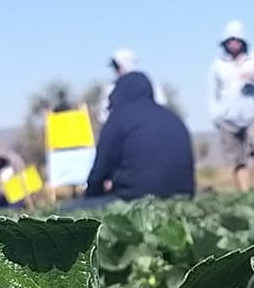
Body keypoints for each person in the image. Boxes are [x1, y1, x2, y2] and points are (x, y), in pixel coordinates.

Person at [80, 71, 196, 206]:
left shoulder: (119, 117)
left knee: (68, 211)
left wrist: (91, 196)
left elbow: (100, 169)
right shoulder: (174, 118)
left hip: (135, 199)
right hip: (182, 198)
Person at [208, 22, 254, 190]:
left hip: (251, 113)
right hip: (227, 118)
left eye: (236, 39)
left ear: (243, 41)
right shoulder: (217, 65)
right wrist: (216, 116)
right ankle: (244, 194)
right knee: (236, 159)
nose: (233, 42)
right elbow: (211, 93)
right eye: (229, 39)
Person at [104, 48, 167, 119]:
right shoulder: (112, 87)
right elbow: (105, 114)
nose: (116, 70)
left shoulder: (151, 85)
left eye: (117, 66)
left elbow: (160, 107)